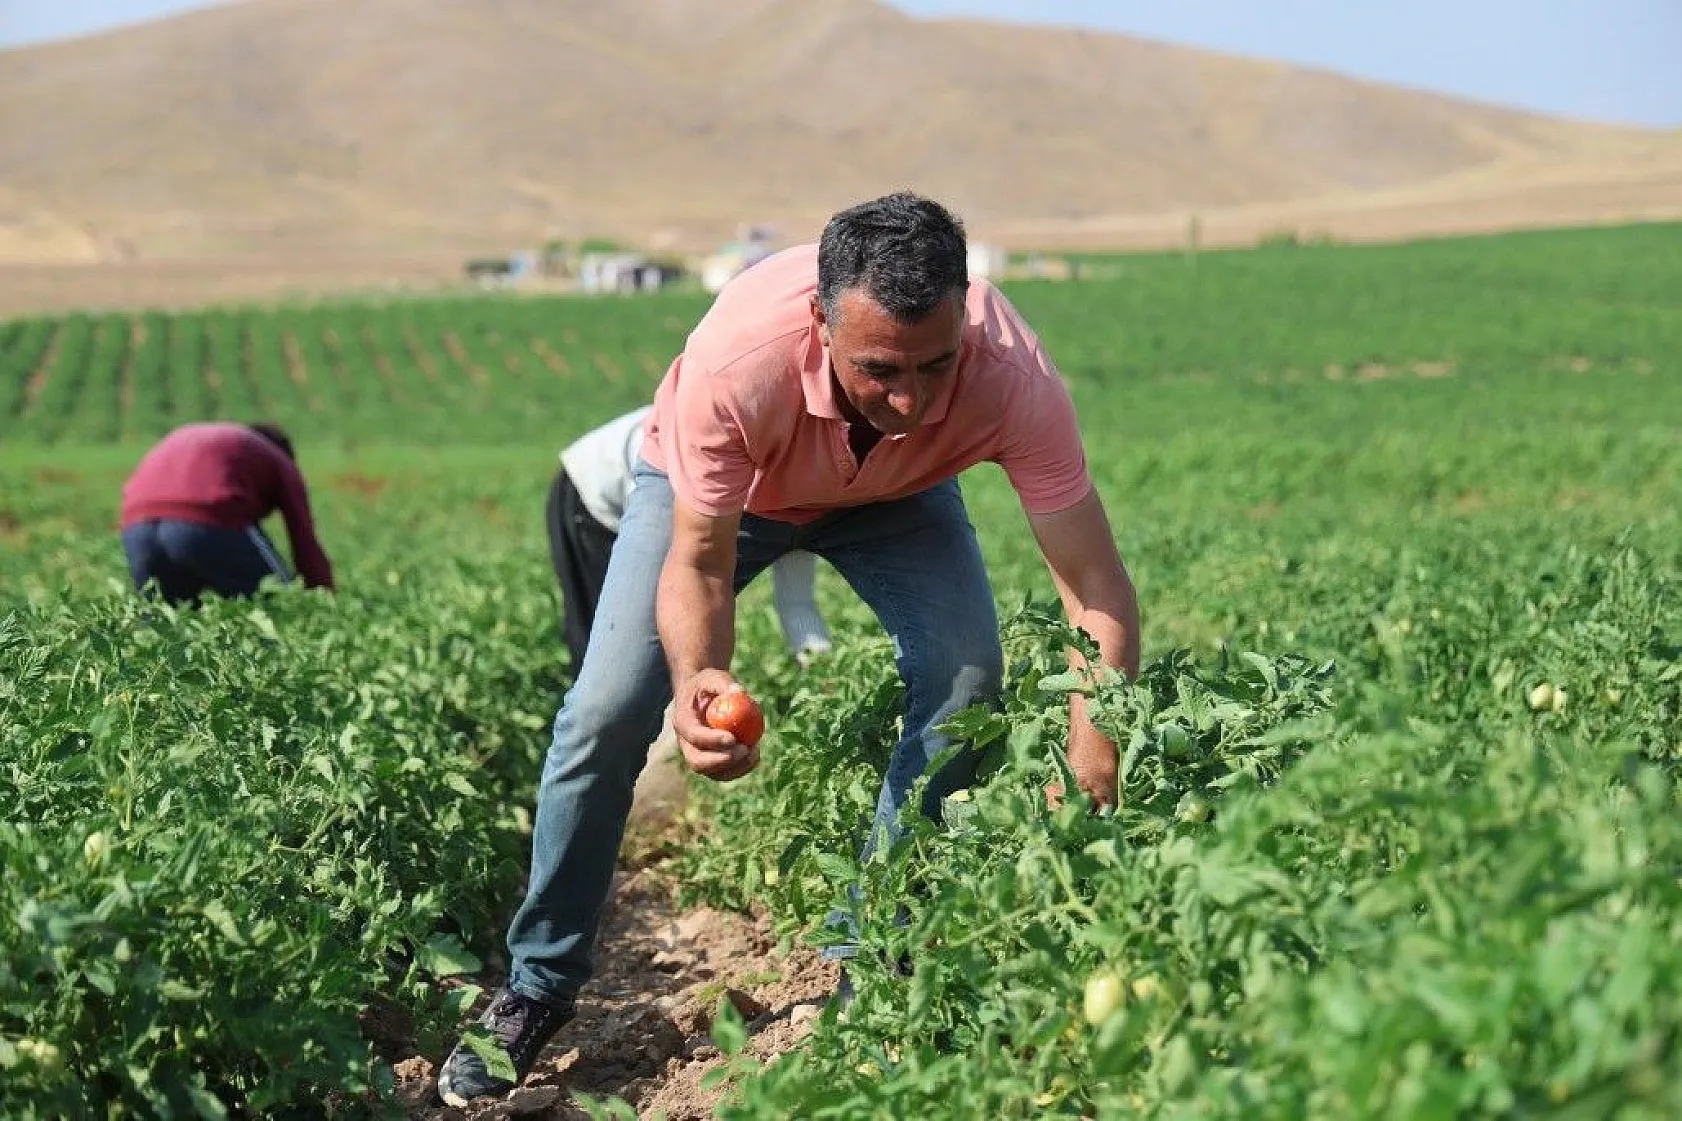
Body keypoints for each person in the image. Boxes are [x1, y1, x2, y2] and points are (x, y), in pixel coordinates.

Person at [438, 192, 1141, 1104]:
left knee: (967, 677)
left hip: (897, 497)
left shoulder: (1010, 370)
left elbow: (1096, 588)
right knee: (609, 707)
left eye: (936, 366)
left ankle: (877, 957)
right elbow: (698, 560)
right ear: (820, 320)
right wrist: (700, 678)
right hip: (728, 493)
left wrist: (1095, 751)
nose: (911, 399)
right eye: (880, 369)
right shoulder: (741, 361)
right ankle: (536, 984)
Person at [546, 405, 832, 669]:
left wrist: (823, 672)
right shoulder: (708, 477)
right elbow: (676, 585)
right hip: (591, 487)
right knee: (608, 642)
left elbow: (798, 602)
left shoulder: (798, 498)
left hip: (647, 478)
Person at [119, 422, 334, 603]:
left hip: (137, 528)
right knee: (284, 603)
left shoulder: (218, 441)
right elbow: (304, 540)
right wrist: (322, 598)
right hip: (204, 521)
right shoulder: (278, 458)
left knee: (165, 625)